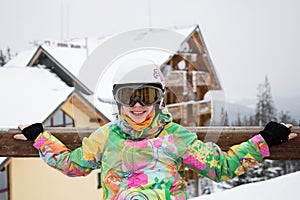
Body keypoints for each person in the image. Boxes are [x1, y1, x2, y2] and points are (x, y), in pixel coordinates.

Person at [15, 63, 297, 200]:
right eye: (129, 97)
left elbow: (221, 167)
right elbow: (73, 165)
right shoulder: (106, 137)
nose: (138, 106)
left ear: (159, 100)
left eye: (146, 96)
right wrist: (40, 138)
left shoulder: (176, 137)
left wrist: (266, 140)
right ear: (117, 100)